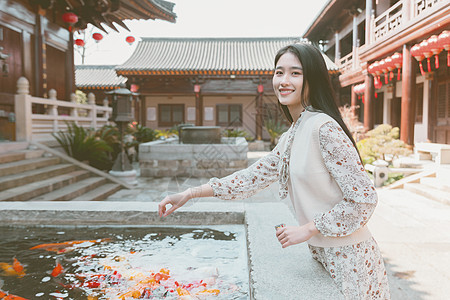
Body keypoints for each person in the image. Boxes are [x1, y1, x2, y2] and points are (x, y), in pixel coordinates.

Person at [158, 42, 390, 299]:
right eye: (279, 72)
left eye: (295, 73)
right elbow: (252, 177)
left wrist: (308, 228)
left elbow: (365, 199)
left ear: (312, 78)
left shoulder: (324, 129)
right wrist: (190, 193)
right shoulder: (295, 131)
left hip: (351, 260)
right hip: (323, 255)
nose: (284, 80)